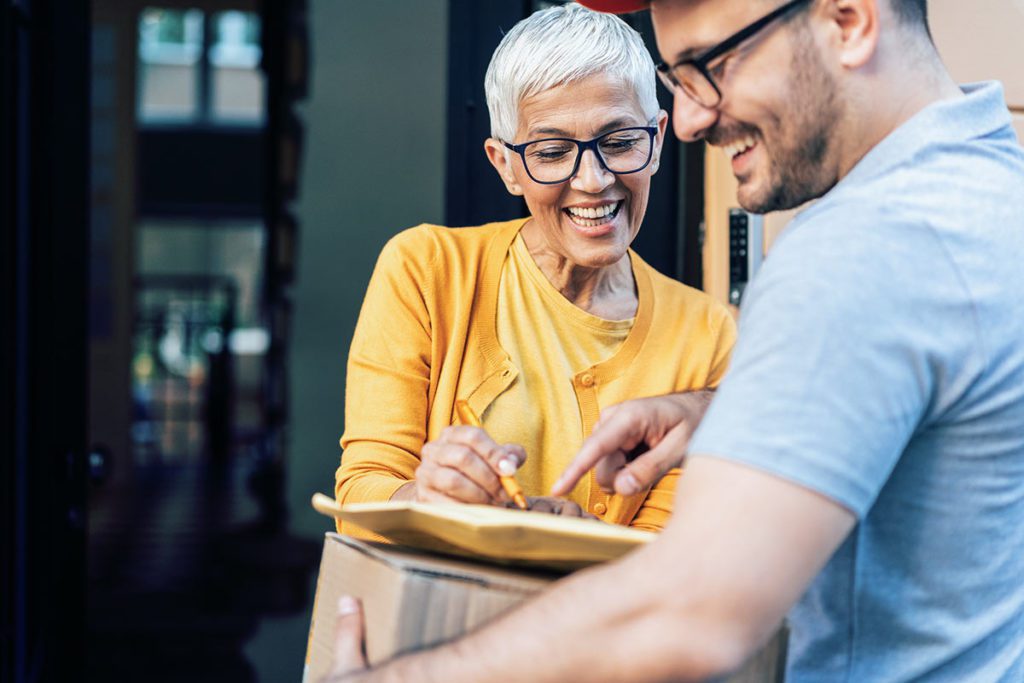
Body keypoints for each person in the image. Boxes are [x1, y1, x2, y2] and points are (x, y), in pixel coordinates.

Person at [324, 0, 1024, 680]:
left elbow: (692, 610)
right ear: (505, 160)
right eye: (677, 82)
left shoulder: (859, 252)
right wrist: (724, 411)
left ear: (849, 19)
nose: (688, 121)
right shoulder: (994, 199)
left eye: (710, 65)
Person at [334, 3, 734, 533]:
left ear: (657, 140)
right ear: (505, 165)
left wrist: (562, 541)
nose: (593, 180)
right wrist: (423, 498)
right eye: (550, 152)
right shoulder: (426, 270)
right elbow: (363, 493)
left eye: (619, 142)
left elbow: (663, 553)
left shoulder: (707, 334)